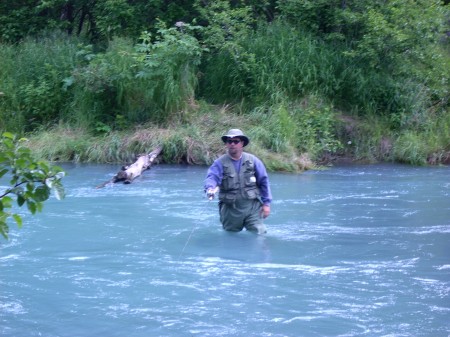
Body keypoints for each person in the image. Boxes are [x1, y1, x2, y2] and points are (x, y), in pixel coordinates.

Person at [204, 128, 272, 234]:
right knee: (230, 236)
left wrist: (266, 204)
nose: (232, 144)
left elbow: (264, 181)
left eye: (236, 141)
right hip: (230, 209)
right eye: (229, 141)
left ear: (242, 143)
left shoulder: (254, 161)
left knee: (259, 234)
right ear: (226, 144)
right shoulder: (219, 163)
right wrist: (210, 188)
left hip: (252, 208)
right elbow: (212, 177)